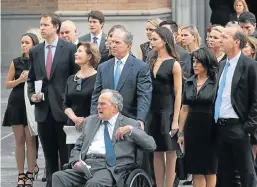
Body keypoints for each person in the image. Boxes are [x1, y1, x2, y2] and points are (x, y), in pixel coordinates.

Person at [52, 89, 156, 187]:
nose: (98, 107)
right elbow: (78, 147)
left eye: (102, 104)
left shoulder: (130, 124)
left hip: (111, 168)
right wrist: (75, 162)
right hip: (86, 166)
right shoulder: (90, 121)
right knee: (58, 177)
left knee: (94, 184)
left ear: (114, 108)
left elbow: (151, 145)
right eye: (98, 103)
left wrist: (131, 131)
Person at [27, 13, 79, 187]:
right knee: (49, 158)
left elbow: (75, 77)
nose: (41, 28)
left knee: (65, 155)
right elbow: (31, 79)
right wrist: (32, 95)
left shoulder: (70, 49)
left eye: (45, 25)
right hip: (43, 111)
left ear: (56, 27)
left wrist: (70, 103)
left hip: (63, 110)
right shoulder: (35, 51)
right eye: (40, 25)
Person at [214, 26, 257, 187]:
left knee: (247, 174)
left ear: (236, 42)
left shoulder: (250, 65)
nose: (220, 40)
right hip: (221, 126)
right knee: (224, 175)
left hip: (239, 127)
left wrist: (248, 128)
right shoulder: (221, 65)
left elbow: (255, 99)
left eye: (224, 37)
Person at [90, 28, 152, 130]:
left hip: (129, 119)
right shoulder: (103, 67)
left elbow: (144, 95)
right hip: (105, 120)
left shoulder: (140, 67)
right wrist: (94, 117)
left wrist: (140, 119)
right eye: (112, 42)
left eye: (117, 42)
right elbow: (96, 94)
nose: (113, 45)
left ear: (128, 46)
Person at [177, 47, 218, 187]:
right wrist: (181, 132)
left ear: (206, 63)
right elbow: (184, 108)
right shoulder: (189, 82)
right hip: (192, 128)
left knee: (210, 169)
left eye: (198, 62)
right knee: (196, 169)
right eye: (193, 61)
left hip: (211, 127)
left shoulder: (216, 81)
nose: (194, 65)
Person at [2, 33, 39, 187]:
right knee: (19, 141)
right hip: (16, 103)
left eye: (27, 42)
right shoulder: (15, 62)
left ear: (34, 44)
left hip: (31, 103)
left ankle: (30, 173)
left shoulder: (38, 62)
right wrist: (20, 80)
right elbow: (7, 84)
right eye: (22, 42)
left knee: (31, 140)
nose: (23, 45)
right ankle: (20, 174)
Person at [149, 27, 182, 187]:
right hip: (153, 111)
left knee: (170, 152)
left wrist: (176, 120)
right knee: (156, 151)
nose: (151, 41)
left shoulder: (174, 64)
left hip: (168, 111)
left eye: (155, 39)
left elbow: (179, 94)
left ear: (164, 41)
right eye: (151, 39)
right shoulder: (151, 60)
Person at [63, 42, 99, 157]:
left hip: (92, 126)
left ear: (89, 56)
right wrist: (74, 118)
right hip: (73, 127)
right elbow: (65, 104)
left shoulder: (99, 78)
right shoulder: (70, 79)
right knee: (73, 160)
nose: (75, 54)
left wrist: (86, 121)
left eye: (80, 51)